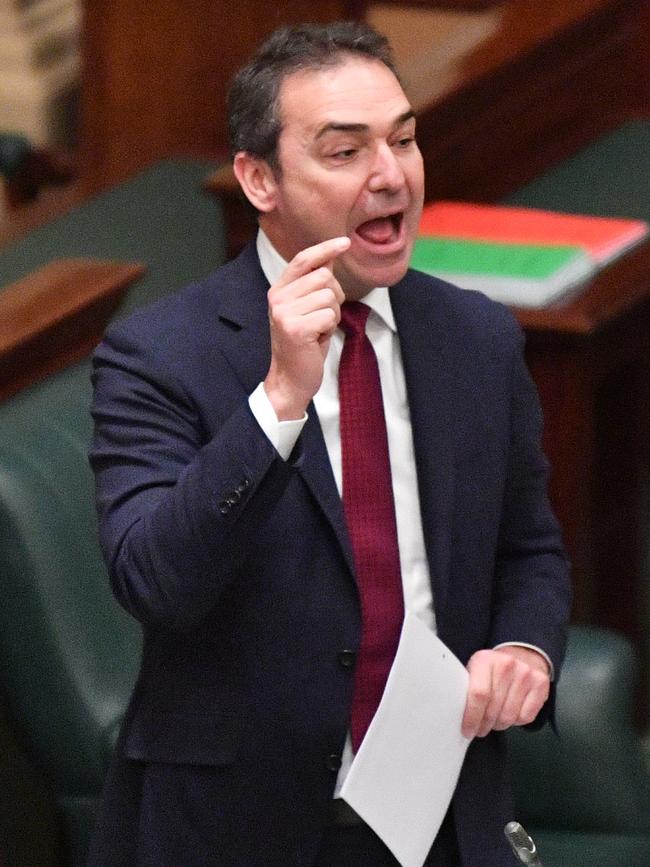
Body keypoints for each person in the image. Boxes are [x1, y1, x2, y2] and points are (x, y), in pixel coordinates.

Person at [87, 21, 571, 867]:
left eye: (406, 140)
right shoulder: (159, 355)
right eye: (346, 152)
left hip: (440, 820)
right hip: (237, 829)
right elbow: (156, 582)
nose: (392, 176)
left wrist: (526, 648)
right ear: (259, 178)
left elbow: (530, 549)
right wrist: (279, 401)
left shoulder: (475, 336)